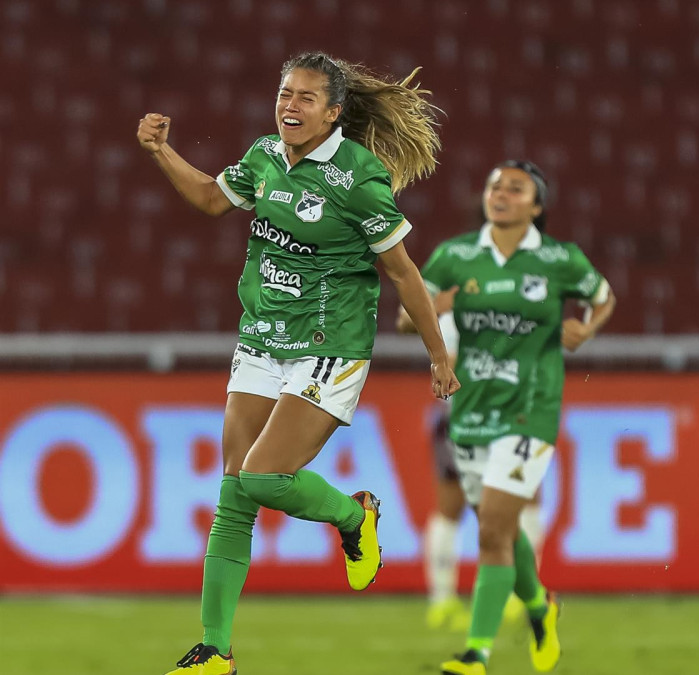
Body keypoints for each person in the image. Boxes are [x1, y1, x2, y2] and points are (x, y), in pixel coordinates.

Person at [137, 51, 459, 675]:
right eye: (285, 92)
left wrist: (437, 353)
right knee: (235, 491)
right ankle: (215, 650)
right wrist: (161, 151)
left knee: (262, 476)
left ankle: (354, 514)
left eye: (307, 97)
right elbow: (208, 199)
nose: (291, 104)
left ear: (334, 111)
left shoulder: (359, 179)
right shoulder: (263, 157)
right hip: (262, 338)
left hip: (328, 347)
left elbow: (404, 273)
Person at [398, 160, 615, 675]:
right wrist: (434, 309)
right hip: (470, 413)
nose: (501, 194)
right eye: (495, 185)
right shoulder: (456, 255)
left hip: (530, 411)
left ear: (536, 206)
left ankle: (477, 653)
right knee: (500, 528)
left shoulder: (560, 259)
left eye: (516, 189)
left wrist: (587, 329)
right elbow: (408, 319)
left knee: (493, 527)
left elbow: (603, 298)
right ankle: (541, 606)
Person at [418, 304, 547, 632]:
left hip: (508, 420)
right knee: (451, 508)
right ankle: (442, 601)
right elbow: (445, 365)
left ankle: (518, 593)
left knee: (526, 501)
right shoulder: (455, 318)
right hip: (464, 421)